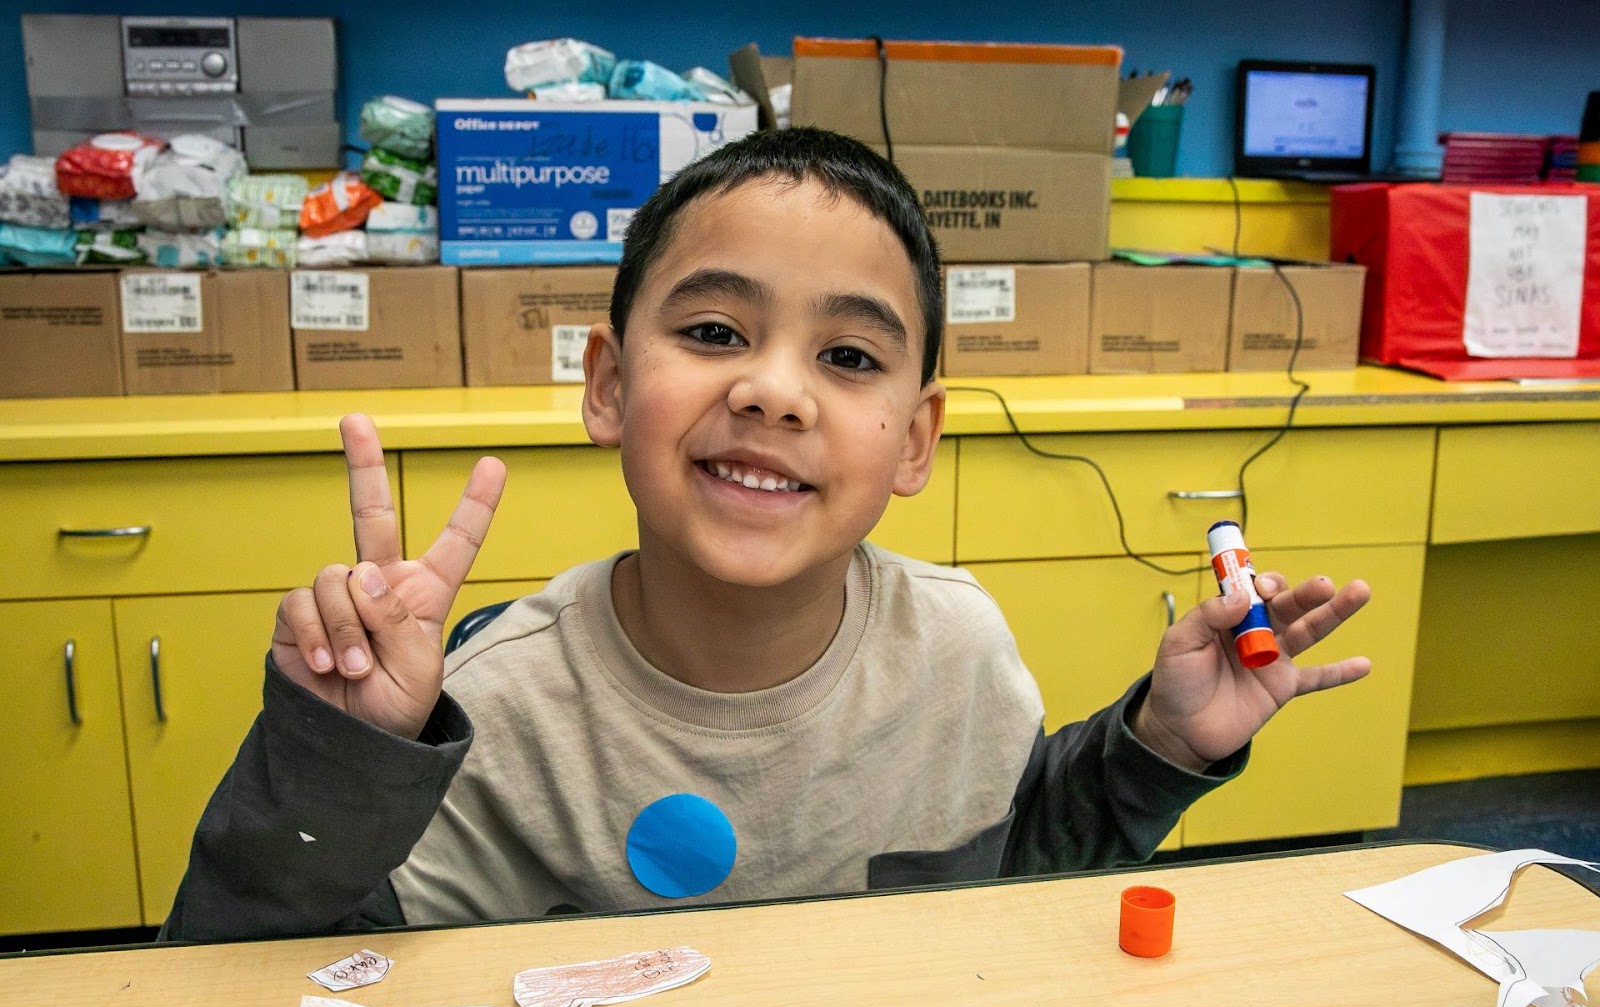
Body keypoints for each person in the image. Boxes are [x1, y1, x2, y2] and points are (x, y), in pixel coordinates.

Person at [161, 128, 1372, 942]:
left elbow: (1008, 880)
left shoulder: (957, 648)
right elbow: (249, 987)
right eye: (713, 332)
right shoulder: (488, 705)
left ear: (913, 439)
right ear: (605, 385)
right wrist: (338, 756)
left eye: (847, 357)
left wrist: (1157, 743)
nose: (775, 391)